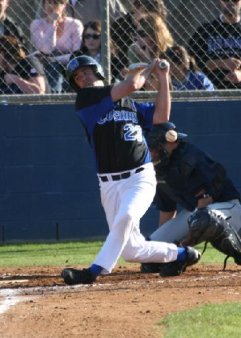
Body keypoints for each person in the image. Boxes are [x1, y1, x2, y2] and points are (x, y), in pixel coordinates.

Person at [60, 55, 200, 285]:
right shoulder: (86, 100)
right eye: (78, 76)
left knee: (126, 216)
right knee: (131, 250)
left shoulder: (130, 105)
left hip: (140, 178)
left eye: (87, 71)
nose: (83, 78)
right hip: (109, 185)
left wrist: (163, 77)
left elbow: (161, 117)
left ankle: (95, 271)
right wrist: (147, 67)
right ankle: (183, 254)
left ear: (98, 72)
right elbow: (133, 85)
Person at [141, 122, 241, 273]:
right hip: (198, 213)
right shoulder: (159, 168)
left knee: (204, 218)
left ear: (171, 142)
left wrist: (180, 251)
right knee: (150, 254)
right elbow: (167, 210)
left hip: (229, 209)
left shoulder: (189, 157)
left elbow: (206, 203)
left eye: (155, 147)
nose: (152, 152)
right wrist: (163, 251)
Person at [30, 0, 83, 93]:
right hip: (43, 64)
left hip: (68, 64)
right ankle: (53, 96)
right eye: (49, 2)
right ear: (44, 5)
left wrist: (53, 59)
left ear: (64, 5)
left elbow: (76, 54)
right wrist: (52, 23)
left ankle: (55, 94)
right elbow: (47, 49)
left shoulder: (75, 24)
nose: (52, 6)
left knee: (55, 66)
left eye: (56, 2)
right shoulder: (36, 24)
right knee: (53, 68)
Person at [188, 0, 241, 89]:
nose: (231, 2)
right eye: (226, 0)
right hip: (210, 89)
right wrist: (222, 63)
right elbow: (192, 62)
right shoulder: (205, 30)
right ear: (220, 1)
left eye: (235, 0)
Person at [111, 0, 168, 79]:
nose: (151, 21)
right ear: (139, 9)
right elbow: (112, 55)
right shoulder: (118, 27)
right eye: (149, 16)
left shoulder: (157, 28)